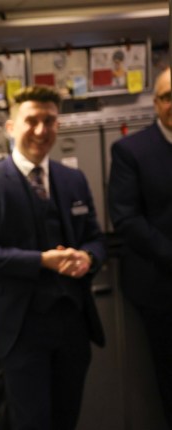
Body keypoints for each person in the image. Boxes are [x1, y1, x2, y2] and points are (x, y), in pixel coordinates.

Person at [0, 85, 106, 430]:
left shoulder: (73, 179)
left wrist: (88, 258)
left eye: (50, 121)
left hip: (72, 324)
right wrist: (41, 260)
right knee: (31, 422)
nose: (42, 130)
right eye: (32, 121)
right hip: (21, 328)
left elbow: (95, 237)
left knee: (66, 418)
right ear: (11, 127)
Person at [108, 67, 172, 428]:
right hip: (160, 286)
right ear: (156, 103)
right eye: (167, 97)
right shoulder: (131, 150)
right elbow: (126, 218)